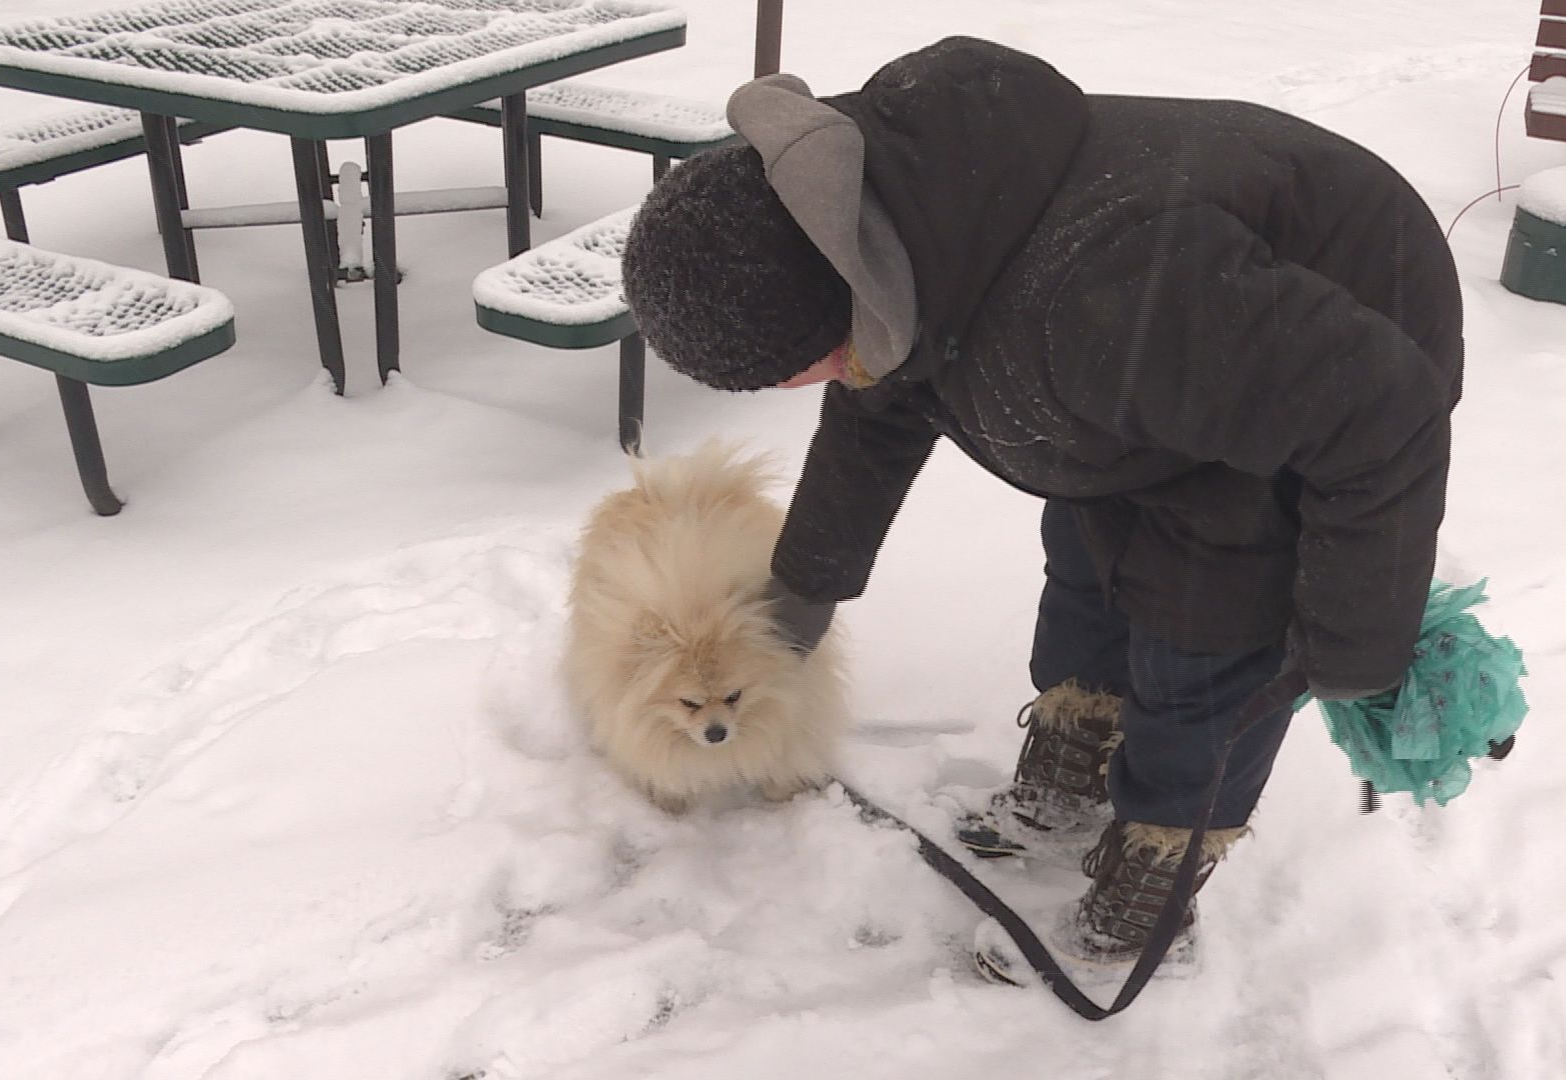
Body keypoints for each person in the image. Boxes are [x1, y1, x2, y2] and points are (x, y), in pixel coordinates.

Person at [619, 36, 1463, 971]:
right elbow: (880, 401)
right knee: (1089, 568)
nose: (800, 386)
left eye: (796, 369)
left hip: (1329, 358)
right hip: (1161, 371)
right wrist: (806, 584)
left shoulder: (1094, 302)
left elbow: (1380, 413)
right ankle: (1066, 786)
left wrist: (1356, 637)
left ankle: (1147, 898)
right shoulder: (885, 242)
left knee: (1207, 650)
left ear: (839, 302)